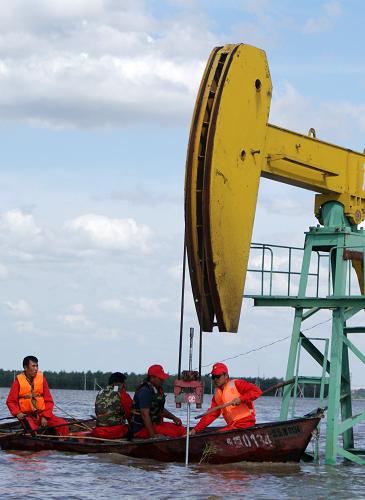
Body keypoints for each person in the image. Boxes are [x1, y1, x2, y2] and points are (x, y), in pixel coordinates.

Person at [190, 362, 262, 435]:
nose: (215, 379)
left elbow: (256, 391)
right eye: (213, 377)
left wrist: (241, 399)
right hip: (233, 426)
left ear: (226, 376)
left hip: (245, 423)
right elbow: (211, 415)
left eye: (218, 376)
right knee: (216, 433)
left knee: (217, 435)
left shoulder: (237, 384)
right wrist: (195, 430)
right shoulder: (217, 395)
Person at [6, 355, 69, 436]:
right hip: (27, 417)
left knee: (63, 424)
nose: (36, 369)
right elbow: (10, 401)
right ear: (25, 367)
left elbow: (49, 401)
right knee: (33, 431)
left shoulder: (42, 379)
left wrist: (45, 416)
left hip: (42, 414)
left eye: (37, 366)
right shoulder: (18, 382)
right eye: (33, 366)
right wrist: (17, 413)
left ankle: (63, 443)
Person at [130, 364, 185, 439]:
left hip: (155, 424)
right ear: (152, 378)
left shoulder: (156, 389)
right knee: (175, 433)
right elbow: (144, 415)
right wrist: (153, 436)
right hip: (142, 429)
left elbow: (160, 409)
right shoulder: (145, 391)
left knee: (181, 429)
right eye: (160, 378)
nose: (163, 380)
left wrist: (174, 418)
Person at [91, 372, 132, 439]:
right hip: (116, 432)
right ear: (121, 383)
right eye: (124, 384)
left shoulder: (100, 392)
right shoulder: (122, 394)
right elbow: (130, 415)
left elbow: (97, 411)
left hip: (99, 431)